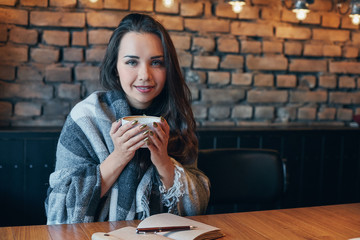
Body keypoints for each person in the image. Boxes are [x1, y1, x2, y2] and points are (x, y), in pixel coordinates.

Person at [45, 13, 210, 225]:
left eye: (157, 63)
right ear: (115, 67)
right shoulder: (86, 118)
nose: (145, 75)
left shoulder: (176, 117)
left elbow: (198, 207)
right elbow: (59, 210)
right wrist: (119, 156)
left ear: (168, 69)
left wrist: (164, 163)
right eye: (132, 62)